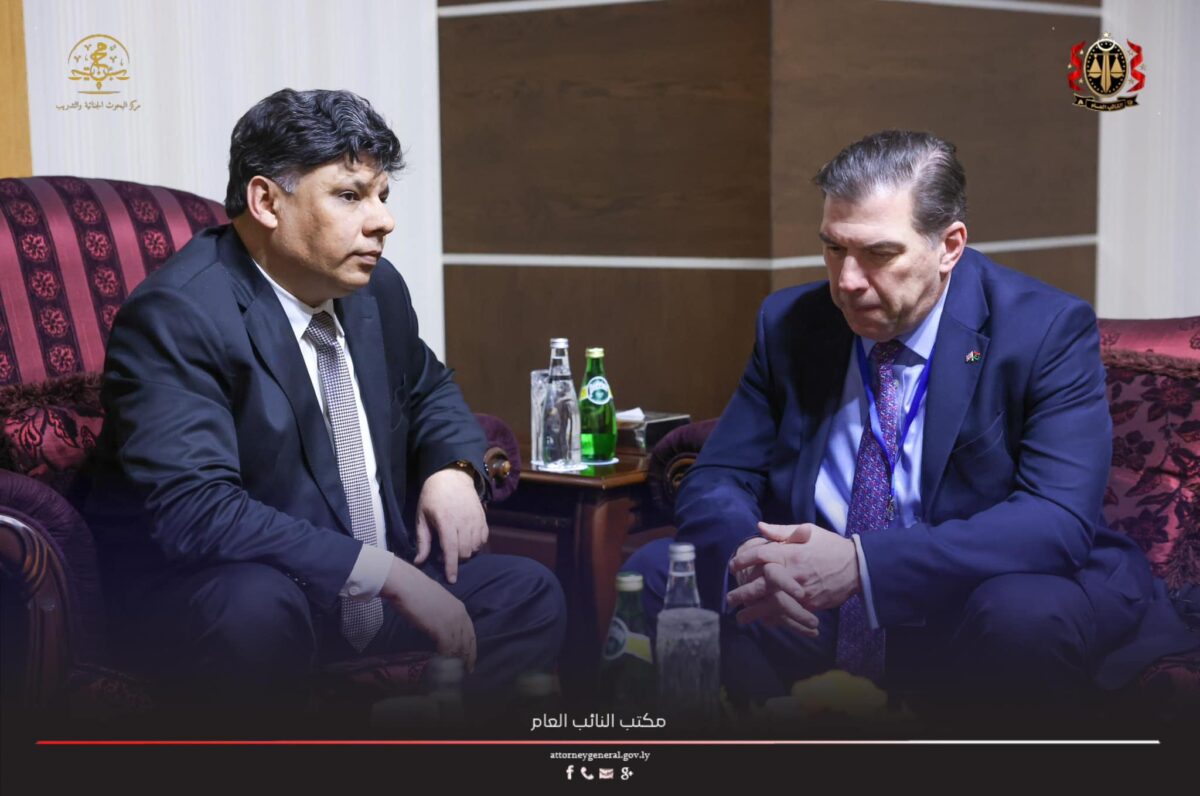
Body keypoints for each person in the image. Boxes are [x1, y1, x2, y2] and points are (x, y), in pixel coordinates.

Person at [625, 130, 1197, 715]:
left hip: (959, 599)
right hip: (810, 608)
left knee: (1022, 614)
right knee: (657, 572)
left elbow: (1056, 520)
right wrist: (758, 561)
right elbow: (718, 476)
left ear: (949, 246)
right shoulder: (792, 322)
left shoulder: (1044, 331)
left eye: (878, 254)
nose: (847, 281)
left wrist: (861, 565)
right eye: (834, 248)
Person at [82, 89, 565, 723]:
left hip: (363, 590)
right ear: (266, 202)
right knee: (254, 608)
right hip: (240, 588)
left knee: (527, 593)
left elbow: (429, 388)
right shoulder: (178, 315)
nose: (382, 221)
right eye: (350, 195)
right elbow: (195, 509)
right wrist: (385, 574)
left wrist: (455, 470)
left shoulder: (374, 289)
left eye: (382, 196)